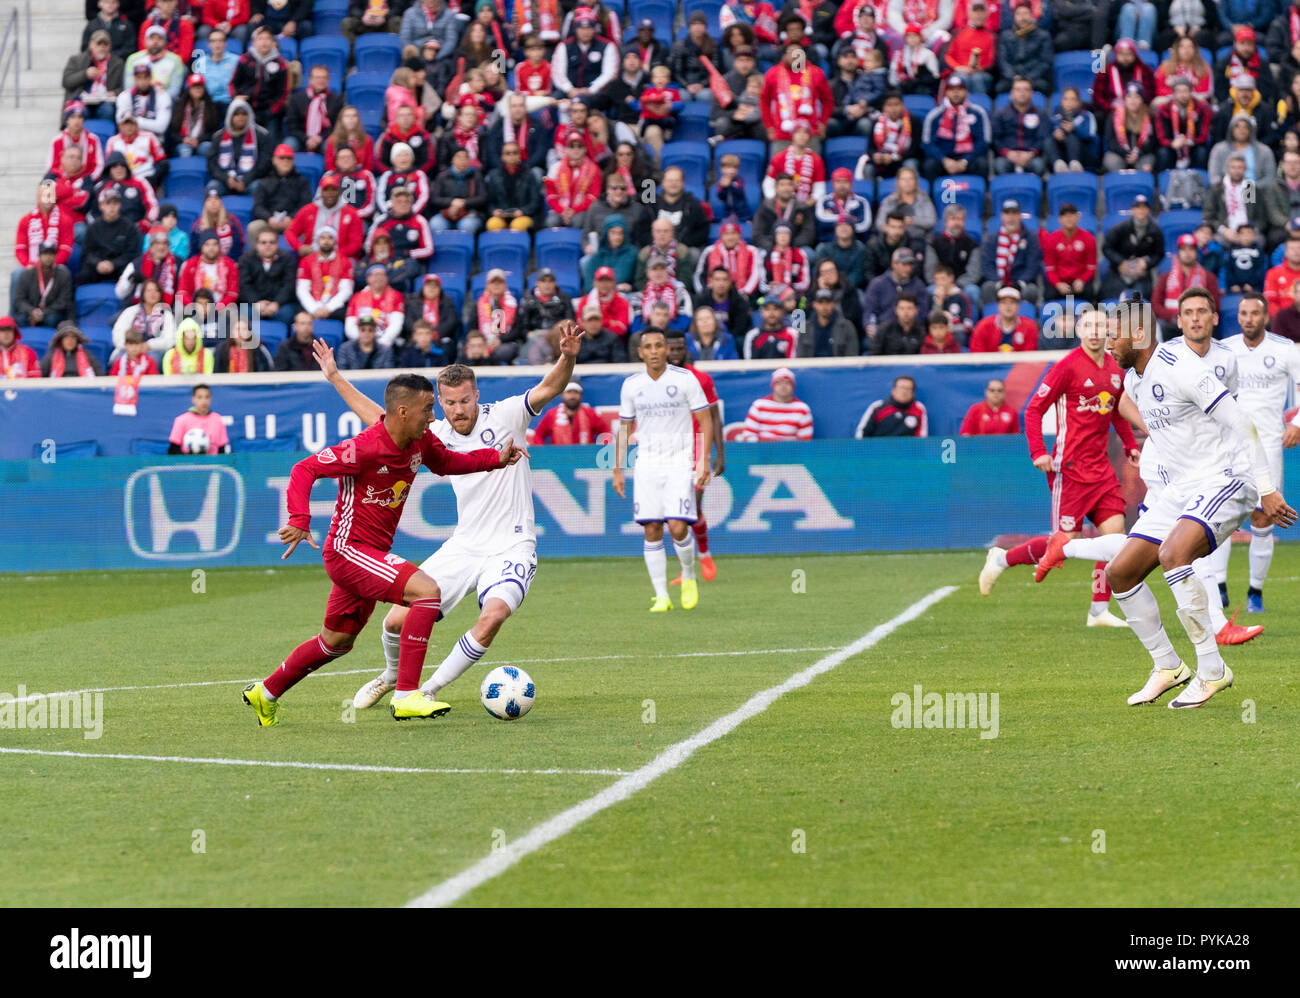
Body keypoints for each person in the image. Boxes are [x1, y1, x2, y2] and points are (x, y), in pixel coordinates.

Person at [315, 323, 582, 713]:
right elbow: (380, 417)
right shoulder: (434, 434)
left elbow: (549, 387)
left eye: (465, 401)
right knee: (394, 623)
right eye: (450, 403)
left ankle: (429, 689)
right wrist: (336, 378)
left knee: (493, 616)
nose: (459, 410)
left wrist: (568, 356)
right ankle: (391, 677)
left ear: (477, 396)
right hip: (464, 545)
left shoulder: (508, 415)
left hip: (512, 545)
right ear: (439, 403)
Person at [240, 369, 526, 726]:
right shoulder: (364, 448)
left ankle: (265, 692)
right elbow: (304, 469)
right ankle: (407, 695)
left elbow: (448, 463)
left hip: (369, 554)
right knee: (427, 592)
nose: (434, 416)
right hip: (348, 550)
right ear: (403, 412)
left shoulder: (420, 442)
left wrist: (492, 460)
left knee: (337, 641)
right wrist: (299, 518)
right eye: (427, 409)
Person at [1100, 292, 1295, 708]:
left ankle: (1211, 670)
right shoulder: (1134, 376)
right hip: (1181, 489)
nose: (1108, 343)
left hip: (1225, 477)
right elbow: (1135, 408)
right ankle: (1168, 666)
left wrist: (1266, 488)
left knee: (1174, 555)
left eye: (1114, 335)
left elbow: (1242, 423)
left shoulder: (1181, 367)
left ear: (1137, 334)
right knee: (1120, 573)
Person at [979, 308, 1139, 627]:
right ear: (1080, 330)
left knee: (1116, 540)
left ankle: (1098, 611)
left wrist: (1130, 444)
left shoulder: (1114, 368)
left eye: (1100, 326)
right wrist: (1038, 452)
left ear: (1108, 330)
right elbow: (1033, 410)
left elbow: (1116, 411)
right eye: (1089, 326)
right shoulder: (1066, 367)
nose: (1095, 332)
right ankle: (1001, 558)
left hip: (1102, 472)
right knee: (1063, 544)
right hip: (1070, 469)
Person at [613, 328, 712, 613]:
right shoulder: (632, 385)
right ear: (640, 352)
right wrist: (617, 469)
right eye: (649, 347)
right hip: (646, 464)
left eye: (660, 345)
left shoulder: (684, 379)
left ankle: (689, 574)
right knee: (652, 528)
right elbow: (624, 427)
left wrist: (703, 459)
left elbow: (705, 421)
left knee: (678, 526)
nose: (655, 351)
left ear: (667, 350)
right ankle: (661, 595)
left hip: (679, 462)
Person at [1218, 293, 1300, 613]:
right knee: (1219, 515)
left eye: (1255, 313)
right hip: (1227, 446)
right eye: (1243, 313)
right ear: (1237, 317)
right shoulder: (1225, 350)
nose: (1248, 318)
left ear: (1265, 317)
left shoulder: (1284, 349)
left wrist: (1297, 423)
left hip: (1267, 446)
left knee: (1262, 517)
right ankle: (1219, 587)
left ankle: (1255, 591)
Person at [663, 329, 724, 583]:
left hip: (697, 447)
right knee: (674, 513)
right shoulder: (654, 380)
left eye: (680, 348)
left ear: (686, 349)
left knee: (690, 506)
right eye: (671, 348)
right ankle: (686, 567)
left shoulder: (701, 379)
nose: (676, 353)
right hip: (668, 451)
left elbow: (714, 417)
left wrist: (720, 453)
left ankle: (705, 555)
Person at [1154, 233, 1222, 339]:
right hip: (1172, 324)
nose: (1187, 253)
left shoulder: (1208, 277)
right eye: (1183, 249)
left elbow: (1215, 305)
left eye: (1191, 249)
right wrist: (1173, 317)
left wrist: (1195, 317)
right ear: (1178, 253)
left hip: (1199, 323)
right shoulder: (1165, 277)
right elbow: (1155, 304)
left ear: (1196, 252)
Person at [980, 198, 1041, 304]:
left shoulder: (1031, 237)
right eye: (1007, 213)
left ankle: (1025, 317)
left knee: (1031, 290)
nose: (1011, 217)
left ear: (1019, 216)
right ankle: (992, 317)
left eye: (1014, 213)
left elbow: (1032, 265)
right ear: (1002, 216)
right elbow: (987, 265)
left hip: (1021, 284)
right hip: (997, 283)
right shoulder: (992, 238)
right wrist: (998, 283)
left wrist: (1020, 283)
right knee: (987, 288)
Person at [1101, 195, 1163, 299]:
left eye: (1144, 207)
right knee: (1110, 298)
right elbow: (1106, 248)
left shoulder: (1155, 231)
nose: (1141, 210)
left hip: (1142, 273)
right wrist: (1120, 262)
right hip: (1119, 271)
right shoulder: (1120, 228)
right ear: (1132, 210)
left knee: (1144, 301)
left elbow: (1159, 253)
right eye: (1138, 207)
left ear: (1149, 210)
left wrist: (1146, 263)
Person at [207, 97, 270, 195]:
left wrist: (245, 180)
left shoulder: (261, 135)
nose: (240, 117)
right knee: (212, 187)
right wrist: (226, 179)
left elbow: (263, 164)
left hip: (250, 180)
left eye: (244, 114)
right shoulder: (218, 137)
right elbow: (212, 164)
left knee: (258, 187)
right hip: (225, 181)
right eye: (236, 114)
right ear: (230, 117)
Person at [238, 226, 297, 325]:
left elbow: (289, 285)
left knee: (287, 314)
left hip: (280, 304)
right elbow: (244, 285)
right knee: (244, 314)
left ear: (277, 244)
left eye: (272, 242)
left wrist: (277, 303)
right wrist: (256, 302)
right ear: (257, 245)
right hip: (253, 303)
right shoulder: (246, 259)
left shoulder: (287, 259)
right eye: (263, 242)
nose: (268, 245)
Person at [739, 365, 813, 442]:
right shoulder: (759, 405)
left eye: (787, 383)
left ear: (793, 386)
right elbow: (749, 434)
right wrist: (759, 451)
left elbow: (804, 441)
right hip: (761, 452)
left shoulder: (803, 409)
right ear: (773, 386)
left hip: (789, 453)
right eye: (779, 382)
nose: (783, 386)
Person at [1039, 203, 1097, 301]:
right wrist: (1058, 284)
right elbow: (1050, 269)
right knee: (1049, 295)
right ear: (1060, 219)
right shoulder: (1051, 239)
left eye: (1071, 215)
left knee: (1090, 293)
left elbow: (1091, 267)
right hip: (1059, 282)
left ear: (1078, 217)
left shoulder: (1089, 238)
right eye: (1065, 215)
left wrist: (1082, 280)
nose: (1068, 218)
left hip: (1079, 282)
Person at [252, 144, 312, 238]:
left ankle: (305, 253)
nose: (285, 161)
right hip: (270, 222)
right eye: (282, 158)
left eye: (289, 158)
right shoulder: (264, 182)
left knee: (308, 227)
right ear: (274, 160)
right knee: (254, 227)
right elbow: (258, 207)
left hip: (294, 222)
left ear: (293, 161)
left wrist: (291, 218)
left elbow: (305, 205)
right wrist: (269, 218)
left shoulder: (302, 181)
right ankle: (257, 253)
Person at [992, 76, 1047, 176]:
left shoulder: (1040, 114)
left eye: (1026, 89)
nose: (1022, 93)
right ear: (1012, 93)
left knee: (1039, 165)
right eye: (1018, 89)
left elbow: (1043, 138)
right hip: (1007, 156)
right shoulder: (1000, 114)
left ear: (1031, 93)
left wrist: (1031, 154)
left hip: (1031, 156)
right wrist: (1008, 153)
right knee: (999, 165)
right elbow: (995, 139)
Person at [1154, 76, 1212, 172]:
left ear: (1191, 92)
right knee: (1163, 153)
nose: (1182, 95)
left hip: (1193, 145)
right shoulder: (1163, 110)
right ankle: (1163, 181)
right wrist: (1173, 143)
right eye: (1179, 91)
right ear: (1173, 94)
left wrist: (1188, 142)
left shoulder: (1202, 108)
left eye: (1185, 91)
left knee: (1202, 152)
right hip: (1172, 146)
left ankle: (1199, 177)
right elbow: (1161, 138)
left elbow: (1203, 136)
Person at [995, 0, 1052, 95]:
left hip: (1034, 78)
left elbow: (1045, 62)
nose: (1022, 17)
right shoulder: (1006, 36)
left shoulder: (1043, 35)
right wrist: (1013, 76)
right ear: (1014, 17)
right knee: (999, 88)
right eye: (1019, 14)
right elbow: (1003, 61)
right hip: (1012, 78)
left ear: (1031, 15)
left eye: (1025, 13)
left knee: (1044, 87)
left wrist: (1029, 77)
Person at [13, 242, 74, 329]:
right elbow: (19, 299)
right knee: (20, 319)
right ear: (39, 256)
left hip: (51, 312)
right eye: (45, 254)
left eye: (51, 254)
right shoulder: (26, 274)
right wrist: (32, 311)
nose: (48, 257)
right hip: (31, 312)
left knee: (52, 319)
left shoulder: (63, 275)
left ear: (55, 256)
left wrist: (43, 313)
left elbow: (64, 301)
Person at [286, 65, 344, 156]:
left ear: (328, 80)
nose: (321, 80)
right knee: (287, 146)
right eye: (317, 77)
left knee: (330, 147)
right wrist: (306, 139)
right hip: (301, 137)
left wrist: (321, 138)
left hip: (324, 137)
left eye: (324, 77)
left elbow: (337, 126)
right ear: (310, 79)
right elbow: (292, 126)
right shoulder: (296, 99)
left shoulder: (336, 100)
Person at [533, 380, 611, 445]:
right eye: (569, 392)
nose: (572, 396)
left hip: (585, 459)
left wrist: (600, 450)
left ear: (581, 395)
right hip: (559, 460)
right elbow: (538, 435)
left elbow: (606, 432)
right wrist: (544, 453)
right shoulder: (552, 415)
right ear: (562, 394)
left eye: (576, 392)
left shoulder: (590, 414)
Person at [111, 277, 176, 352]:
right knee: (119, 358)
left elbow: (170, 339)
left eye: (156, 291)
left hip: (154, 350)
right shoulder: (130, 311)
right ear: (142, 293)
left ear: (160, 294)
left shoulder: (167, 315)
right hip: (129, 349)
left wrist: (149, 345)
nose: (153, 294)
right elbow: (118, 333)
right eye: (149, 291)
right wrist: (131, 347)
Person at [968, 284, 1038, 351]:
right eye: (1004, 302)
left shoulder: (1030, 327)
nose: (1008, 306)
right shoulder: (983, 326)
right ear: (998, 306)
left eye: (1012, 302)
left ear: (1018, 306)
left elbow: (1029, 356)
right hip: (990, 363)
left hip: (1019, 363)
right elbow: (977, 353)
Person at [1045, 86, 1099, 173]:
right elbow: (1048, 134)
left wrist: (1074, 129)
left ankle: (1075, 164)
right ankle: (1058, 164)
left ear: (1078, 102)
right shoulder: (1055, 117)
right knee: (1049, 140)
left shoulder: (1086, 116)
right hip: (1062, 154)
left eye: (1072, 99)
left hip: (1084, 154)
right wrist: (1057, 135)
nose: (1068, 102)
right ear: (1062, 101)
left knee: (1071, 136)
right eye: (1065, 99)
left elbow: (1091, 136)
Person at [167, 385, 230, 455]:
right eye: (200, 397)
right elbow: (173, 450)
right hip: (188, 463)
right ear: (193, 399)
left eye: (207, 397)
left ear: (211, 399)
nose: (204, 401)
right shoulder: (181, 420)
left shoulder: (217, 420)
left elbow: (221, 449)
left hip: (212, 463)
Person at [855, 375, 927, 436]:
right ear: (893, 390)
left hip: (906, 452)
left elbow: (922, 439)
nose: (904, 392)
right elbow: (861, 434)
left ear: (913, 393)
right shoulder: (877, 407)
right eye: (901, 388)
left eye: (908, 389)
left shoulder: (919, 409)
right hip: (878, 450)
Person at [799, 288, 858, 356]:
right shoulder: (805, 328)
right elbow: (800, 357)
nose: (824, 306)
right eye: (820, 302)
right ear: (814, 304)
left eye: (828, 302)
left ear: (833, 304)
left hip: (838, 366)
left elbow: (852, 357)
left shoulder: (847, 327)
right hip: (812, 366)